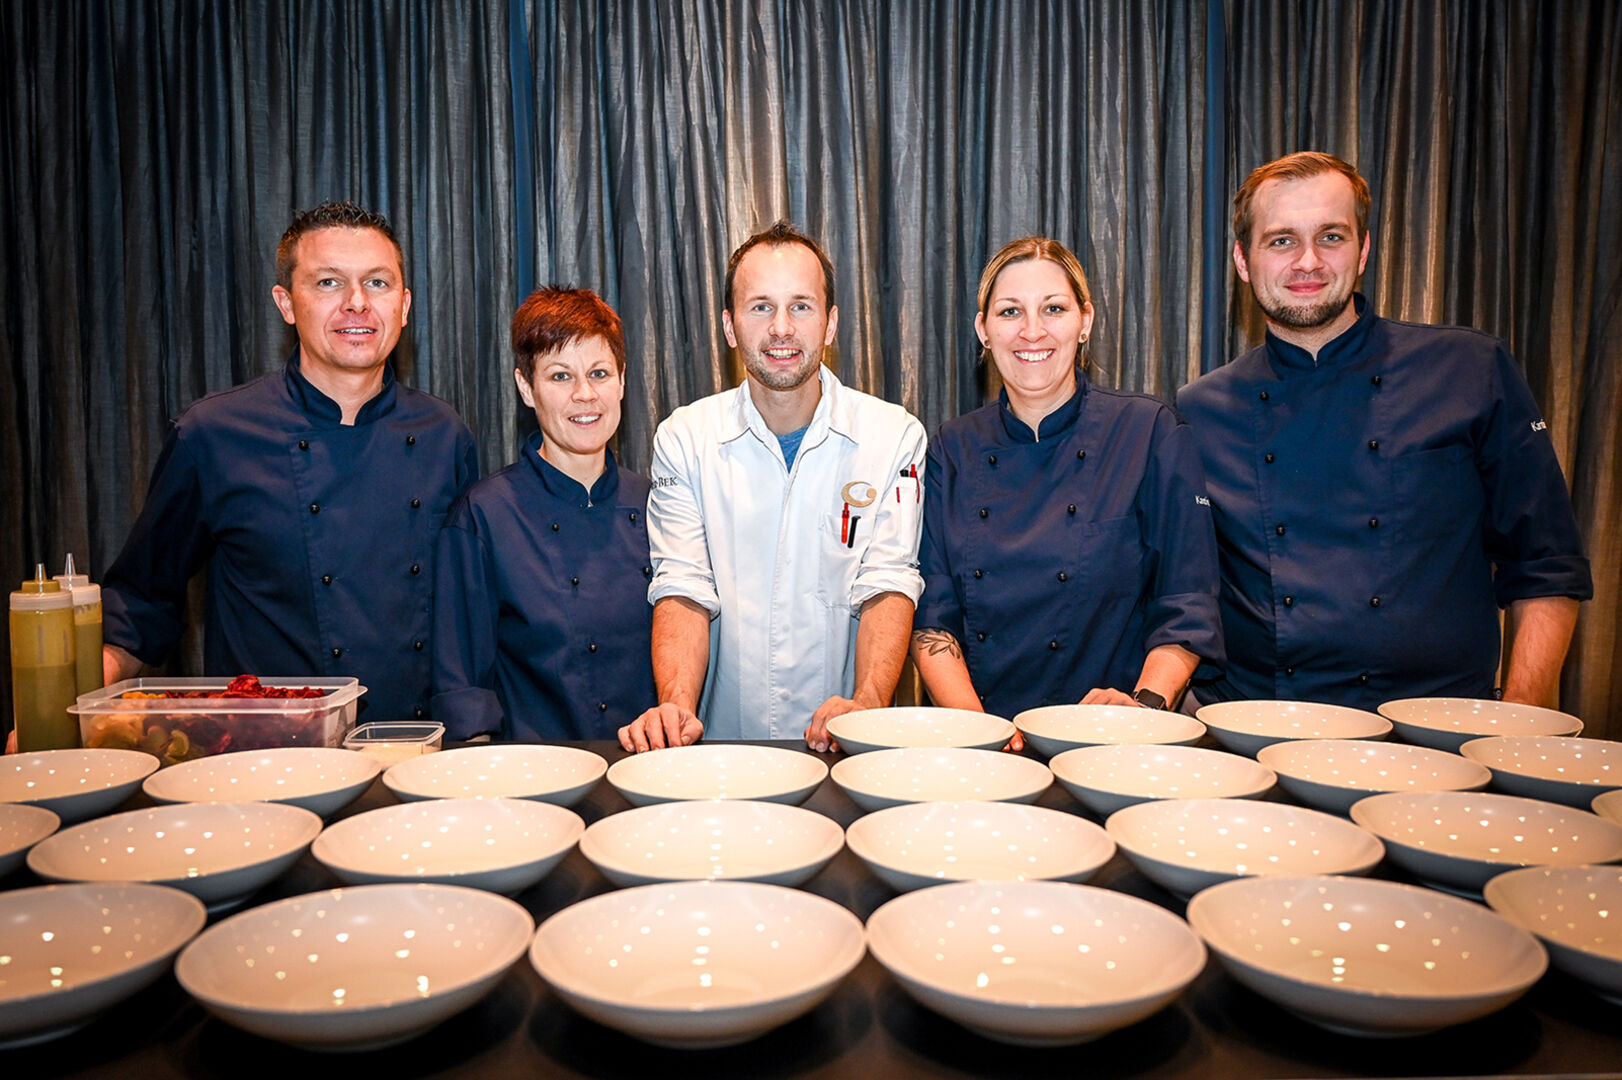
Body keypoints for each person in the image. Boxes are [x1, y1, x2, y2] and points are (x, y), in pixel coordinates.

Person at [1177, 152, 1592, 710]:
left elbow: (1546, 563)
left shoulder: (1469, 369)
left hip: (1439, 728)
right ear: (1243, 261)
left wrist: (1518, 721)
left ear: (1364, 250)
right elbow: (1182, 587)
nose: (1307, 261)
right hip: (1262, 725)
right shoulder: (1200, 408)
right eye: (1281, 240)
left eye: (1331, 237)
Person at [99, 201, 479, 722]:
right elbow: (142, 602)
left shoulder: (444, 435)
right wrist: (57, 711)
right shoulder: (214, 434)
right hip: (267, 750)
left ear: (404, 305)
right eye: (328, 283)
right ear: (286, 303)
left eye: (377, 283)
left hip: (413, 745)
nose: (356, 303)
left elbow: (469, 609)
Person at [618, 221, 926, 753]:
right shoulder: (684, 437)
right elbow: (682, 586)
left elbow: (888, 582)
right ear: (729, 325)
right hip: (722, 751)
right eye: (761, 306)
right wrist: (676, 705)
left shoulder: (894, 435)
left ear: (830, 324)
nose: (781, 328)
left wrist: (868, 704)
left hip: (847, 747)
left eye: (801, 306)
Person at [910, 237, 1223, 725]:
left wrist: (1144, 706)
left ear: (1085, 321)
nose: (1032, 331)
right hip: (982, 732)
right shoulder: (952, 448)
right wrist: (980, 734)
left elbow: (1187, 601)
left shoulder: (1148, 432)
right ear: (984, 330)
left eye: (1053, 308)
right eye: (1010, 312)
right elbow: (934, 615)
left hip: (1110, 734)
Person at [430, 287, 655, 740]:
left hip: (650, 766)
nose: (585, 394)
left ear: (622, 381)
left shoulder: (657, 505)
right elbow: (463, 692)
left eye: (599, 373)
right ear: (526, 388)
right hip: (536, 770)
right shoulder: (485, 516)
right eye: (560, 376)